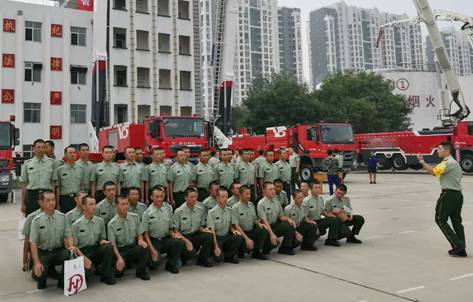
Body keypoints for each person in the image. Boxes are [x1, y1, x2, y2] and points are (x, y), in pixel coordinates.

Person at [417, 141, 467, 257]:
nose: (437, 150)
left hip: (449, 194)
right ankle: (461, 248)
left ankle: (457, 245)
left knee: (440, 219)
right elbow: (435, 172)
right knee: (456, 222)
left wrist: (421, 161)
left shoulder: (447, 162)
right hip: (457, 194)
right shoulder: (454, 162)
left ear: (447, 150)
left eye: (439, 149)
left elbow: (433, 172)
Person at [29, 191, 73, 289]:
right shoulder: (36, 220)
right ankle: (40, 277)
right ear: (41, 203)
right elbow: (33, 243)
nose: (51, 203)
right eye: (48, 200)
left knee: (69, 255)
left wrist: (71, 246)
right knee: (40, 276)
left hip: (58, 251)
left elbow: (68, 235)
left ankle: (62, 280)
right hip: (43, 253)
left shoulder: (62, 217)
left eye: (53, 200)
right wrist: (36, 262)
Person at [142, 186, 188, 274]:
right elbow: (145, 234)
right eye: (157, 197)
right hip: (154, 241)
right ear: (151, 197)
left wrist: (173, 234)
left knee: (179, 241)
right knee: (154, 265)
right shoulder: (147, 213)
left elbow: (171, 227)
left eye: (161, 196)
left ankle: (171, 265)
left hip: (165, 239)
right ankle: (150, 260)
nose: (159, 199)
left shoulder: (168, 208)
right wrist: (152, 250)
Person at [71, 196, 116, 285]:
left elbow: (101, 238)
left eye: (95, 204)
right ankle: (91, 269)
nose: (94, 206)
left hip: (95, 250)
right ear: (83, 206)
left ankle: (106, 275)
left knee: (109, 247)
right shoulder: (76, 225)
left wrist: (102, 241)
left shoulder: (100, 221)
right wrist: (84, 259)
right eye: (91, 204)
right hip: (82, 252)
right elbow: (75, 246)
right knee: (88, 273)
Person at [108, 195, 150, 280]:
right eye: (122, 204)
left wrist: (140, 240)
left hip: (132, 248)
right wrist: (119, 258)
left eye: (127, 204)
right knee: (118, 274)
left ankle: (141, 271)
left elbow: (139, 233)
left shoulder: (135, 217)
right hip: (120, 251)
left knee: (144, 247)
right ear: (116, 206)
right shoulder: (111, 224)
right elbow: (113, 244)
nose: (125, 206)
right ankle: (121, 264)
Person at [173, 187, 213, 267]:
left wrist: (205, 230)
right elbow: (175, 230)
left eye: (195, 196)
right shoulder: (178, 211)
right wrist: (186, 241)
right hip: (183, 237)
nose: (194, 199)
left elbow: (200, 226)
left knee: (209, 236)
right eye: (191, 197)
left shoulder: (200, 210)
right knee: (190, 253)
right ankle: (181, 257)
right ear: (185, 198)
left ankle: (202, 259)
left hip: (194, 234)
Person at [257, 182, 296, 255]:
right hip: (266, 228)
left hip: (275, 225)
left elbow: (280, 216)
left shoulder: (276, 201)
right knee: (274, 242)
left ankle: (285, 247)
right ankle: (264, 249)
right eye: (270, 189)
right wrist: (272, 235)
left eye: (273, 189)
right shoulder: (261, 204)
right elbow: (264, 221)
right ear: (264, 191)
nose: (273, 191)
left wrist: (288, 219)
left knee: (290, 225)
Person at [206, 188, 244, 264]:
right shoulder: (211, 212)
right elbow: (212, 231)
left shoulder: (230, 210)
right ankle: (218, 253)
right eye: (222, 197)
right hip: (217, 238)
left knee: (239, 236)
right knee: (219, 259)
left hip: (226, 237)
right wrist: (216, 247)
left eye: (226, 197)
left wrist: (234, 230)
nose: (225, 199)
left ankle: (229, 256)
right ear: (217, 198)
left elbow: (231, 226)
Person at [232, 185, 269, 260]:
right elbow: (236, 226)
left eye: (250, 194)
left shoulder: (251, 205)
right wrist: (246, 239)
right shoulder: (235, 208)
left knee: (263, 229)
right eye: (246, 194)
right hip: (242, 233)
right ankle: (239, 251)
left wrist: (259, 223)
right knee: (238, 238)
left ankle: (256, 251)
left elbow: (254, 219)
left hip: (251, 231)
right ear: (240, 194)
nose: (249, 196)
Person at [20, 139, 56, 215]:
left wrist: (53, 198)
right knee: (32, 219)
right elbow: (24, 184)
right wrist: (23, 203)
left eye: (43, 147)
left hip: (47, 195)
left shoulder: (51, 163)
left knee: (47, 218)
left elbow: (53, 182)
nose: (41, 149)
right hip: (32, 195)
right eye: (38, 147)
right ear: (33, 149)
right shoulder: (27, 163)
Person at [303, 181, 344, 247]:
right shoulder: (306, 201)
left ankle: (331, 240)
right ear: (311, 189)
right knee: (315, 230)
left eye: (319, 187)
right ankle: (308, 241)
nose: (318, 189)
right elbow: (303, 216)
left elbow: (321, 211)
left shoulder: (320, 199)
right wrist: (313, 224)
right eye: (316, 188)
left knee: (334, 219)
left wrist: (329, 215)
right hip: (309, 223)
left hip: (318, 221)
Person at [56, 146, 86, 213]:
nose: (72, 154)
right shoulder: (60, 170)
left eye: (74, 152)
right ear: (65, 155)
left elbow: (82, 186)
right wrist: (57, 204)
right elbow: (58, 188)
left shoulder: (81, 169)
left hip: (78, 198)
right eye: (70, 153)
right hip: (65, 199)